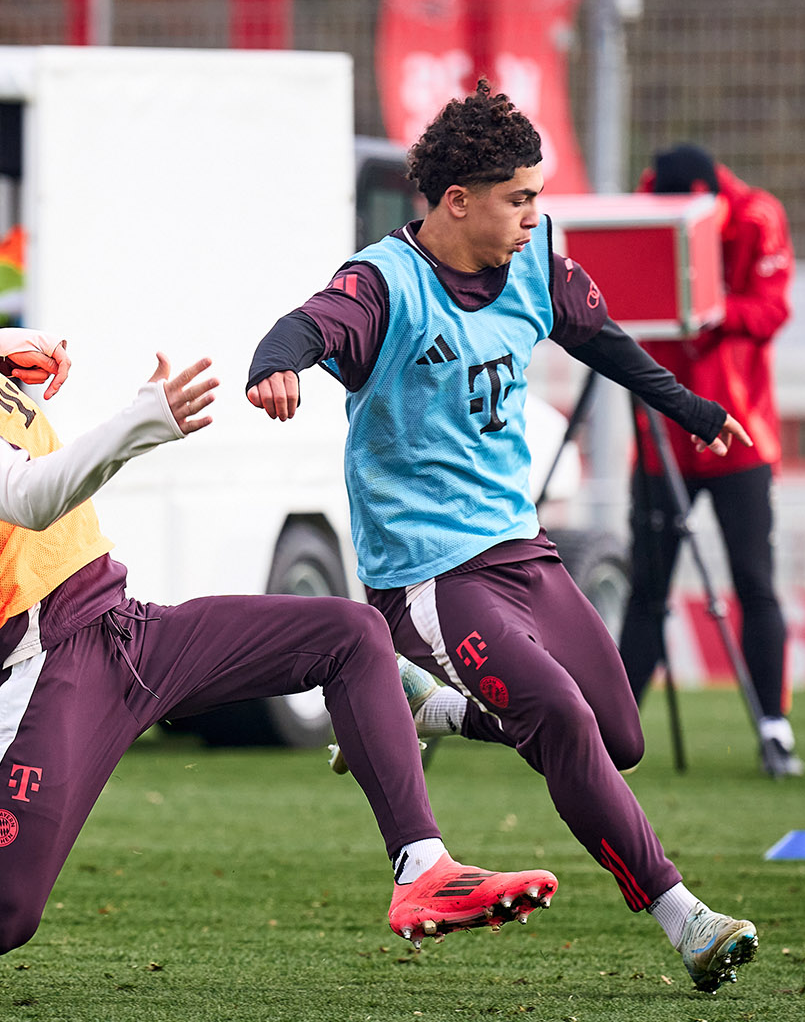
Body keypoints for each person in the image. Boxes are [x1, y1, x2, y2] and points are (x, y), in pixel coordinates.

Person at [0, 144, 558, 977]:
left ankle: (424, 869)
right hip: (37, 666)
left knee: (349, 633)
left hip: (118, 625)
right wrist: (143, 419)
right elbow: (26, 493)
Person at [245, 82, 762, 993]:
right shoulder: (385, 282)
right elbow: (312, 324)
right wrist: (277, 366)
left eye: (536, 196)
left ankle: (431, 708)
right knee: (560, 721)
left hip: (519, 548)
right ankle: (687, 920)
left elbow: (602, 339)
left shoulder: (538, 262)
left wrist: (691, 409)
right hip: (431, 576)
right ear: (458, 202)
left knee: (618, 736)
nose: (536, 215)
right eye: (519, 197)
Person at [622, 143, 799, 778]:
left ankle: (774, 727)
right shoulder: (647, 206)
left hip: (741, 434)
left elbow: (774, 308)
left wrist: (710, 311)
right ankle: (615, 733)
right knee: (648, 588)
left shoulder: (756, 216)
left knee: (754, 580)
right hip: (661, 436)